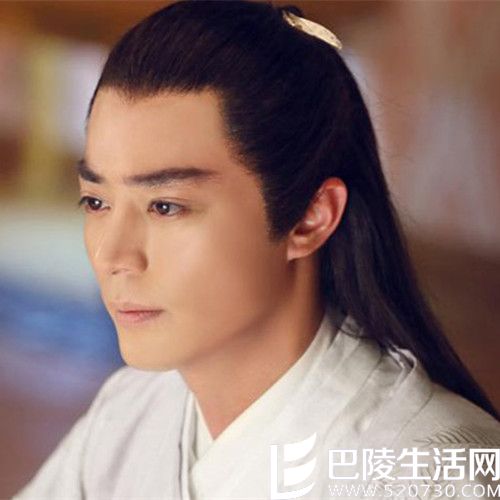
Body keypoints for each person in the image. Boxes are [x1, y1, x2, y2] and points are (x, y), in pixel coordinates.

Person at [13, 1, 500, 499]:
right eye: (96, 202)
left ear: (310, 217)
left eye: (165, 207)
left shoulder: (433, 475)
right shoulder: (130, 415)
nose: (113, 256)